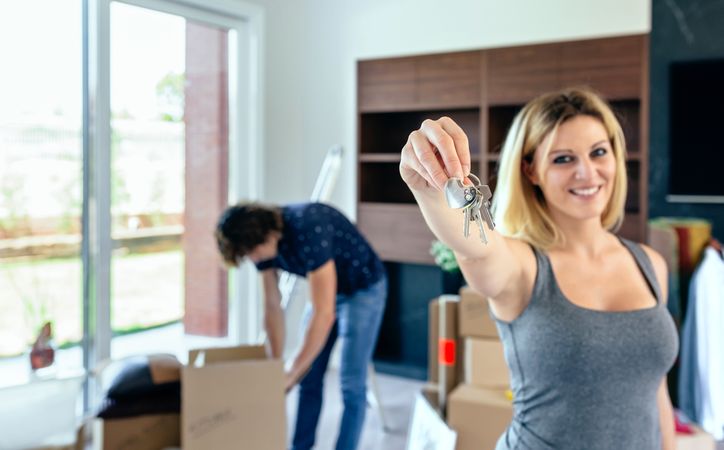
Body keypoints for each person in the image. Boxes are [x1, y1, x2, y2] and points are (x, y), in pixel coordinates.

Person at [399, 88, 678, 449]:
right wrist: (429, 189)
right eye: (563, 159)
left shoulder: (651, 264)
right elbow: (477, 250)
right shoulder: (522, 265)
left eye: (598, 152)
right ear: (531, 170)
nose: (587, 172)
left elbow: (655, 392)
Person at [214, 201, 387, 450]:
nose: (253, 258)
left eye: (252, 251)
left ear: (268, 234)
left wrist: (291, 372)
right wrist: (276, 367)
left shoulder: (309, 227)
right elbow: (273, 308)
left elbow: (323, 314)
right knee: (309, 378)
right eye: (246, 255)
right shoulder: (260, 247)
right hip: (327, 293)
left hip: (363, 289)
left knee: (351, 384)